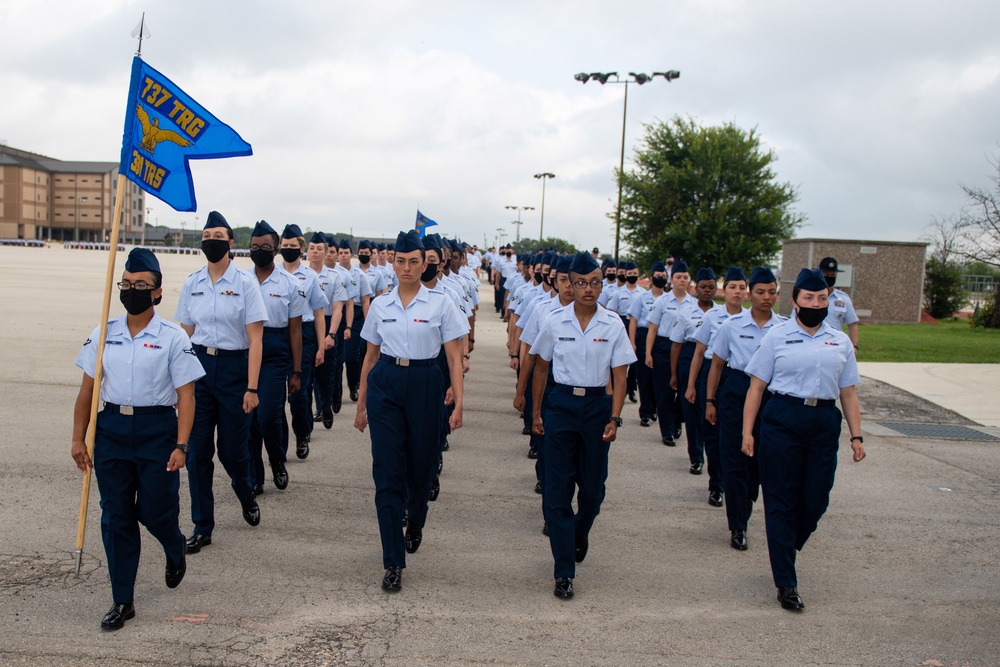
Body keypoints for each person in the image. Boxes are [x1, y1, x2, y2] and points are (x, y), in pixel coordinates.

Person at [71, 248, 205, 630]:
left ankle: (173, 542)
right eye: (127, 284)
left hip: (157, 432)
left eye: (141, 286)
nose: (133, 291)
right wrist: (78, 439)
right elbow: (87, 392)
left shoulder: (172, 337)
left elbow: (186, 395)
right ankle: (122, 599)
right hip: (111, 431)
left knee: (155, 510)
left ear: (158, 292)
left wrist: (182, 445)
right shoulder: (103, 331)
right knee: (116, 516)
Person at [742, 267, 866, 611]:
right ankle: (786, 582)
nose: (815, 303)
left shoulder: (839, 341)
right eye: (808, 298)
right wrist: (747, 432)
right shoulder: (777, 337)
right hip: (782, 418)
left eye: (821, 298)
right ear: (795, 301)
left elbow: (849, 392)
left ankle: (783, 546)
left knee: (815, 501)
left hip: (823, 421)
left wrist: (856, 437)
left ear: (829, 300)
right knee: (781, 501)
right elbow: (756, 387)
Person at [353, 230, 468, 592]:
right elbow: (370, 355)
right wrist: (360, 403)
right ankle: (392, 562)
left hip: (424, 383)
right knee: (387, 473)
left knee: (421, 469)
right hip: (386, 382)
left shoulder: (441, 303)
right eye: (400, 261)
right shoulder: (381, 305)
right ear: (394, 263)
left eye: (414, 261)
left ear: (425, 264)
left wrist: (459, 400)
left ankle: (415, 519)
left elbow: (453, 355)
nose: (406, 268)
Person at [529, 251, 636, 600]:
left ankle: (580, 530)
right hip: (561, 405)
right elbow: (541, 366)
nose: (588, 290)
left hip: (596, 408)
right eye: (580, 284)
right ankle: (563, 571)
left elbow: (620, 376)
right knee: (557, 490)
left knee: (593, 490)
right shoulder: (555, 321)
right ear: (570, 286)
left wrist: (616, 416)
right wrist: (536, 412)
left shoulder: (613, 324)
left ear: (601, 285)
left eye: (594, 283)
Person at [175, 211, 268, 554]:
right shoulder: (192, 283)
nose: (211, 241)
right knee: (198, 451)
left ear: (231, 243)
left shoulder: (245, 284)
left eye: (219, 236)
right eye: (207, 235)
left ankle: (245, 491)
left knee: (232, 450)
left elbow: (256, 339)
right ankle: (203, 526)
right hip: (198, 369)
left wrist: (252, 387)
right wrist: (176, 383)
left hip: (234, 371)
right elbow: (183, 336)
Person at [704, 267, 780, 548]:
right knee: (734, 460)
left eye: (771, 292)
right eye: (760, 292)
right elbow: (716, 365)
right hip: (737, 389)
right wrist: (710, 400)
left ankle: (745, 503)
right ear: (750, 293)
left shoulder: (782, 328)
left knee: (758, 463)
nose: (766, 297)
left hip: (769, 395)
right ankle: (737, 525)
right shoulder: (731, 326)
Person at [247, 221, 308, 495]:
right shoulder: (242, 281)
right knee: (248, 418)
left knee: (268, 414)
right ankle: (255, 476)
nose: (260, 251)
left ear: (276, 250)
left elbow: (295, 330)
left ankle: (276, 459)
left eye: (266, 247)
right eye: (255, 247)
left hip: (274, 349)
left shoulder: (289, 284)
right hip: (246, 349)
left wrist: (296, 371)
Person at [685, 267, 747, 506]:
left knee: (736, 433)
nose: (737, 292)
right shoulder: (712, 316)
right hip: (712, 376)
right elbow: (699, 353)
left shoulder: (750, 318)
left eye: (742, 288)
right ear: (725, 289)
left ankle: (735, 483)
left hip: (738, 378)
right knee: (712, 433)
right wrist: (691, 385)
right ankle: (716, 485)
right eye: (733, 287)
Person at [670, 267, 721, 475]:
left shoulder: (722, 313)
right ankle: (696, 457)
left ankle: (714, 458)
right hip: (690, 357)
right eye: (703, 287)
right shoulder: (685, 313)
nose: (707, 291)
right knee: (691, 412)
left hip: (714, 362)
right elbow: (676, 345)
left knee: (709, 412)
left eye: (711, 287)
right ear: (695, 288)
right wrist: (674, 373)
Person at [303, 231, 346, 453]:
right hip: (304, 326)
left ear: (327, 252)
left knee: (326, 374)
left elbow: (337, 308)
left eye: (320, 248)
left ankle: (325, 405)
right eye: (312, 248)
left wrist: (331, 334)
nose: (316, 252)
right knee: (305, 379)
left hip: (327, 323)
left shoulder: (335, 277)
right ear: (307, 251)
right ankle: (307, 424)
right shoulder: (298, 275)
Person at [645, 260, 691, 446]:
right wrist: (648, 353)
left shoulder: (693, 304)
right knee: (664, 391)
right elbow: (652, 329)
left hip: (684, 348)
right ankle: (667, 431)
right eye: (678, 277)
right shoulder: (662, 302)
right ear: (671, 280)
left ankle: (677, 420)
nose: (682, 280)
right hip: (664, 347)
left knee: (683, 389)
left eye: (685, 277)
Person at [628, 262, 667, 427]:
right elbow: (633, 320)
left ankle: (657, 408)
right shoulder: (642, 298)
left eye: (664, 277)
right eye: (658, 276)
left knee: (660, 377)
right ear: (651, 278)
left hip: (662, 338)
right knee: (644, 376)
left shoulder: (669, 299)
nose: (660, 279)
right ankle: (645, 411)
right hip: (644, 336)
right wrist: (632, 342)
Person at [338, 239, 374, 402]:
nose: (343, 256)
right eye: (340, 253)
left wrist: (368, 324)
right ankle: (335, 392)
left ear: (350, 254)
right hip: (338, 311)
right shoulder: (334, 273)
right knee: (337, 357)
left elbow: (365, 301)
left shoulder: (359, 275)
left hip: (357, 314)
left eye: (346, 252)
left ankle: (354, 385)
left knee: (352, 355)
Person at [606, 261, 643, 403]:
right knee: (618, 359)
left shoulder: (642, 293)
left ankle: (631, 388)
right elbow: (611, 312)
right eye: (630, 273)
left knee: (634, 360)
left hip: (636, 326)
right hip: (621, 323)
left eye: (635, 273)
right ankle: (616, 387)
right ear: (625, 274)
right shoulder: (617, 293)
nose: (632, 276)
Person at [819, 257, 860, 351]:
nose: (829, 277)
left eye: (832, 274)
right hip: (815, 345)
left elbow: (852, 324)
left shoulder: (843, 299)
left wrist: (854, 346)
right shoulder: (809, 298)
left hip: (836, 346)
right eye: (826, 274)